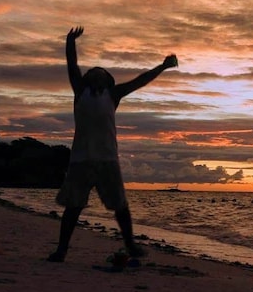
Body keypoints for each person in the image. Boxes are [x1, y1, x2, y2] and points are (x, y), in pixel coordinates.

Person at [47, 26, 177, 263]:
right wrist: (70, 41)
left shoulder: (113, 95)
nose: (97, 72)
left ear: (108, 81)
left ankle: (131, 246)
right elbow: (72, 65)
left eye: (102, 72)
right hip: (80, 160)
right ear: (86, 80)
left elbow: (141, 80)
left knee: (120, 207)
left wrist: (163, 66)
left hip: (107, 159)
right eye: (93, 71)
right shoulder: (80, 91)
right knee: (73, 208)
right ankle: (61, 251)